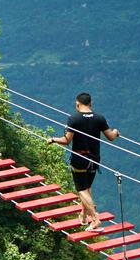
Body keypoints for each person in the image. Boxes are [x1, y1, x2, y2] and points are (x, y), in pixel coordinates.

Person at [49, 91, 119, 229]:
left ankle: (95, 218)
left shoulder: (74, 119)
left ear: (77, 104)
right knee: (87, 188)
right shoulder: (100, 118)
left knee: (81, 189)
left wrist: (52, 139)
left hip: (79, 159)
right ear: (90, 103)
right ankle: (83, 216)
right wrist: (116, 131)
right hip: (94, 160)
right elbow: (111, 136)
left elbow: (66, 140)